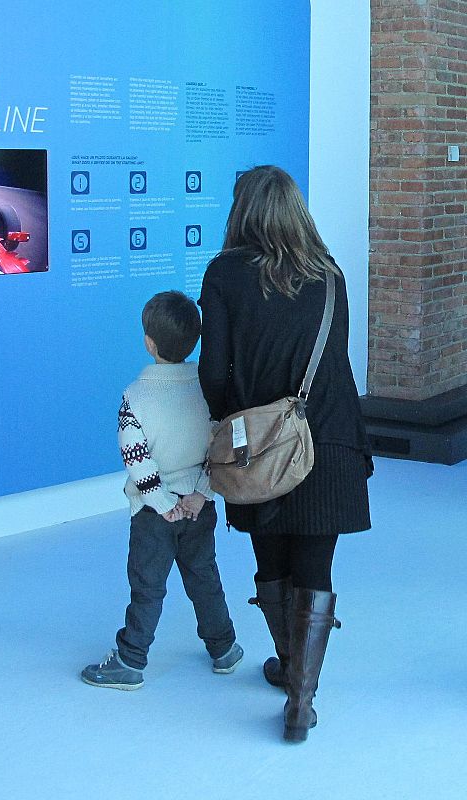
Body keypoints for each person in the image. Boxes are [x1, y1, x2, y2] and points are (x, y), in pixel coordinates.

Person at [198, 166, 372, 742]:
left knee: (271, 562)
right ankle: (301, 697)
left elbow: (213, 371)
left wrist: (235, 427)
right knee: (316, 565)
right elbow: (334, 362)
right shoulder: (329, 275)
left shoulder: (224, 273)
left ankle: (289, 665)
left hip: (261, 448)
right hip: (330, 438)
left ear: (242, 210)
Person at [81, 291, 243, 690]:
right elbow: (218, 445)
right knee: (204, 577)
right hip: (197, 507)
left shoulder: (135, 398)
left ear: (149, 343)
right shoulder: (207, 389)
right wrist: (201, 493)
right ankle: (224, 648)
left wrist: (160, 502)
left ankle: (131, 661)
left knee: (148, 587)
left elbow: (137, 459)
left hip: (155, 515)